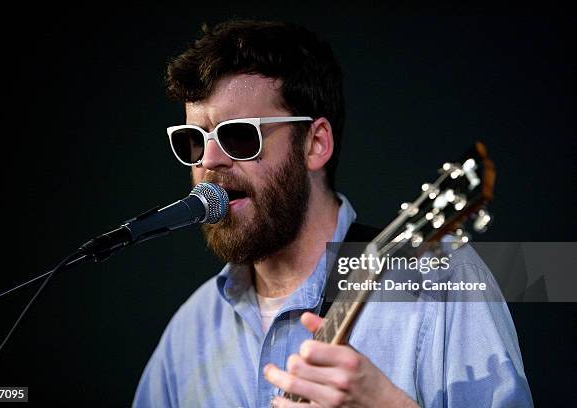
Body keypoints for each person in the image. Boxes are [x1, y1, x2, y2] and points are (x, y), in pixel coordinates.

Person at [132, 20, 533, 407]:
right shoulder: (190, 331)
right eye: (193, 141)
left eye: (238, 136)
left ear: (315, 144)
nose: (210, 161)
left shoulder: (440, 281)